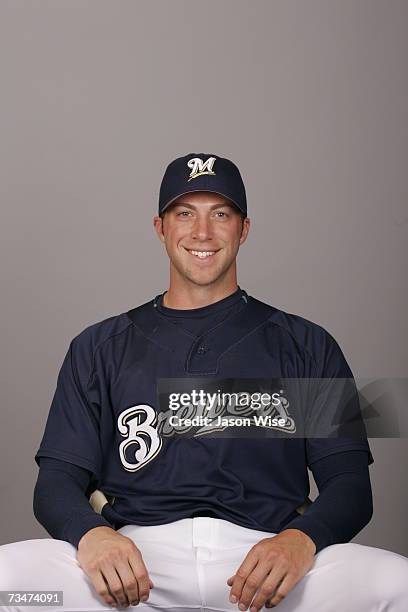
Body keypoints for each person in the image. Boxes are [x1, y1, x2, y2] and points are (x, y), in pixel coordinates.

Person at [1, 153, 407, 612]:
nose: (202, 233)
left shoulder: (307, 343)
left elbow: (352, 485)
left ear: (244, 229)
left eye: (221, 214)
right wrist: (92, 535)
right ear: (160, 228)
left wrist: (301, 540)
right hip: (135, 567)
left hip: (268, 566)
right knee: (7, 582)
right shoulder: (98, 346)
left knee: (399, 583)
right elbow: (55, 481)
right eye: (184, 214)